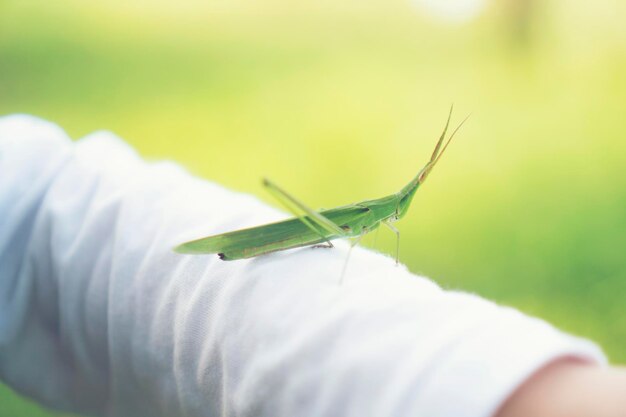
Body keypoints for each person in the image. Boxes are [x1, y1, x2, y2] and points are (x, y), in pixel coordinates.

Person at [0, 114, 623, 417]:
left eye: (407, 198)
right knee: (326, 224)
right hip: (305, 228)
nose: (402, 205)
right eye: (405, 195)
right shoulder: (374, 216)